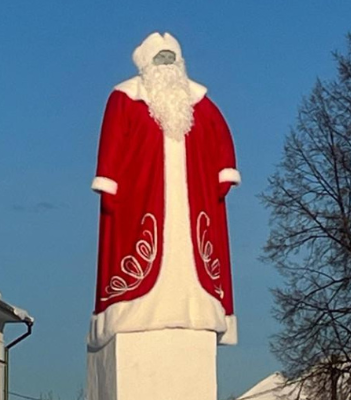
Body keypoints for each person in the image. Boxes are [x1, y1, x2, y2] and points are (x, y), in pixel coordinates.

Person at [88, 32, 240, 350]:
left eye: (171, 58)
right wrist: (109, 181)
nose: (166, 64)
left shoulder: (200, 102)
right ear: (146, 63)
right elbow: (112, 142)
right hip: (140, 197)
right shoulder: (125, 97)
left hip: (193, 196)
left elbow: (222, 137)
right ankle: (139, 306)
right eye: (160, 58)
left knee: (191, 247)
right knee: (145, 247)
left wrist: (224, 172)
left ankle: (195, 304)